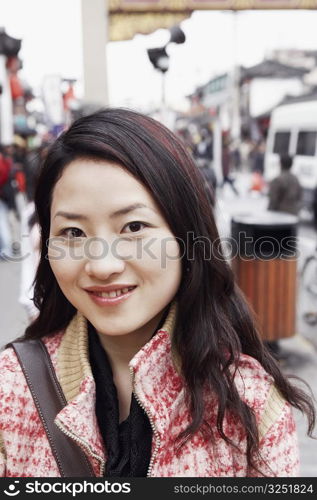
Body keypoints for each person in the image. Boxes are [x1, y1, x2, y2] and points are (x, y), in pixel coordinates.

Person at [0, 109, 315, 478]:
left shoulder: (251, 404)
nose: (102, 265)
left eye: (133, 226)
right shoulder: (12, 391)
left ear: (186, 236)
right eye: (73, 232)